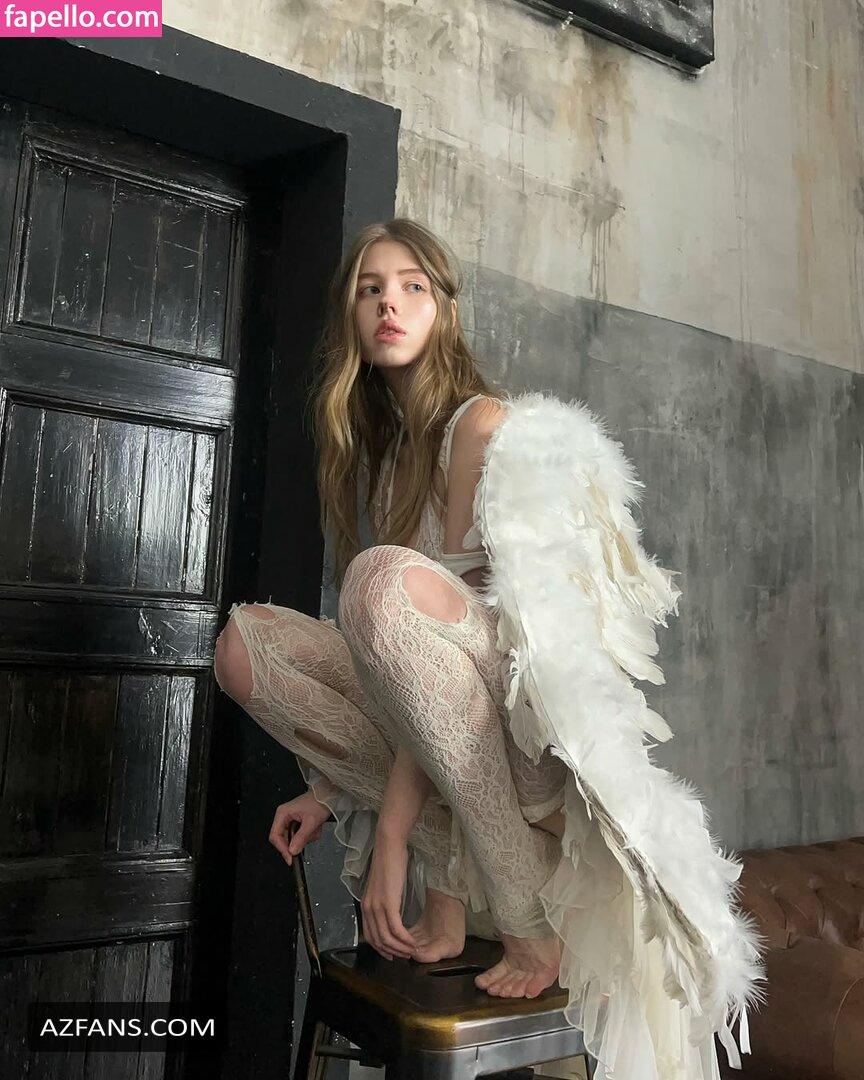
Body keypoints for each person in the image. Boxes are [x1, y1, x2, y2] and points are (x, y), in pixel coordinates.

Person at [213, 217, 571, 1000]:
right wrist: (329, 791)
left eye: (412, 287)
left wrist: (392, 841)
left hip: (518, 728)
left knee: (378, 582)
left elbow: (455, 660)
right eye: (370, 290)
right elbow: (405, 676)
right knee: (245, 647)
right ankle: (448, 861)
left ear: (445, 309)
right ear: (351, 315)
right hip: (442, 718)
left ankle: (522, 914)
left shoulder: (479, 424)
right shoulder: (386, 458)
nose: (389, 304)